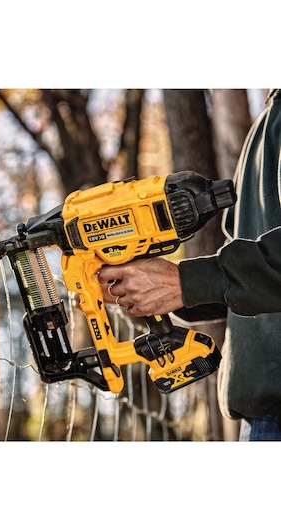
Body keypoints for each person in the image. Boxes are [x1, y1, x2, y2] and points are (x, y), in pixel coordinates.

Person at [98, 89, 281, 441]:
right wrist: (163, 292)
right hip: (260, 413)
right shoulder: (268, 120)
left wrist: (182, 282)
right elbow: (251, 279)